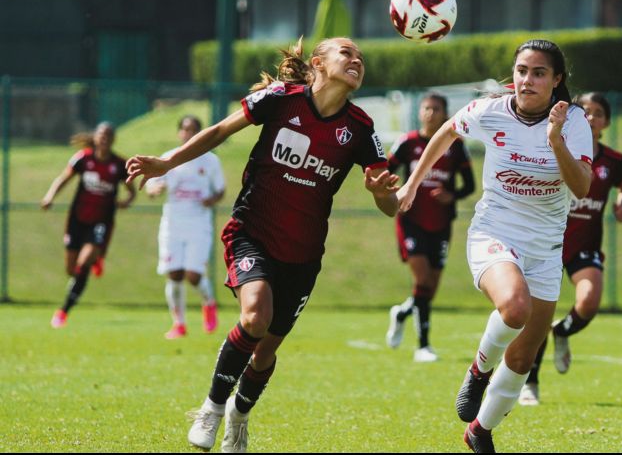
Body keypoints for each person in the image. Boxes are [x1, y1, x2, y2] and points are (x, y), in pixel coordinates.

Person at [126, 37, 399, 453]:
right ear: (319, 63)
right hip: (251, 232)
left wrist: (380, 192)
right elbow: (218, 130)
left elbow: (391, 206)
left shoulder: (360, 129)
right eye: (347, 53)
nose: (356, 60)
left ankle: (239, 415)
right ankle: (212, 408)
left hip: (303, 256)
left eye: (360, 57)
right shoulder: (281, 99)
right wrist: (167, 163)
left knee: (265, 351)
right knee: (255, 316)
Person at [396, 39, 593, 453]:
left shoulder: (573, 122)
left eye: (539, 73)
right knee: (515, 308)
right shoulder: (492, 110)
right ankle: (479, 369)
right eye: (522, 70)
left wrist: (555, 139)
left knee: (522, 358)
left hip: (545, 250)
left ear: (557, 80)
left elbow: (581, 186)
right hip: (494, 234)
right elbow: (448, 131)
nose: (527, 80)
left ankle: (479, 432)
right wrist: (412, 184)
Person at [518, 92, 622, 406]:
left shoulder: (613, 160)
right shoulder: (554, 148)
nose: (591, 117)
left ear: (606, 121)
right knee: (538, 315)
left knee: (589, 302)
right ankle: (531, 383)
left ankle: (563, 332)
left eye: (598, 113)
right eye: (586, 111)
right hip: (549, 242)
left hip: (585, 246)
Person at [385, 92, 475, 362]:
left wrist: (452, 195)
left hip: (442, 223)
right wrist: (395, 190)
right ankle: (423, 346)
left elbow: (469, 185)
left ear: (445, 113)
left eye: (436, 109)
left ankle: (401, 313)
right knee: (422, 280)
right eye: (426, 108)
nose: (430, 113)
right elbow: (386, 172)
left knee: (429, 290)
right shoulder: (408, 142)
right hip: (412, 221)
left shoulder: (456, 145)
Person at [41, 122, 136, 328]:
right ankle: (95, 259)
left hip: (101, 221)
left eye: (109, 135)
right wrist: (50, 196)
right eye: (102, 134)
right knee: (71, 269)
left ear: (113, 140)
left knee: (84, 264)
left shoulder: (119, 165)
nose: (104, 138)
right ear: (95, 137)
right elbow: (63, 178)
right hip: (77, 219)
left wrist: (126, 202)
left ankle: (63, 311)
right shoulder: (83, 158)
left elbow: (132, 191)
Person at [145, 115, 226, 340]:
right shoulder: (169, 158)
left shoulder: (210, 161)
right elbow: (152, 185)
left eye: (193, 130)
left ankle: (208, 303)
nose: (188, 133)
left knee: (193, 275)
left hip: (198, 223)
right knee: (174, 274)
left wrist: (211, 200)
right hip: (173, 222)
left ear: (201, 133)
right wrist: (154, 191)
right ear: (179, 132)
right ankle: (179, 324)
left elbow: (220, 190)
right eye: (185, 129)